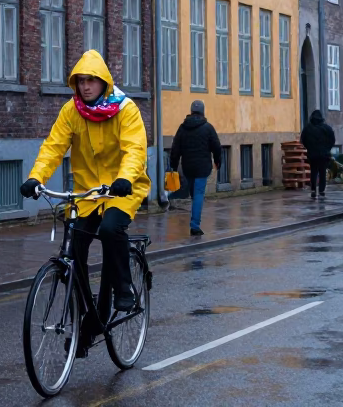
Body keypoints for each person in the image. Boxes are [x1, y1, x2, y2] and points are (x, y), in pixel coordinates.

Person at [20, 50, 149, 315]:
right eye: (80, 80)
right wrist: (36, 177)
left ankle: (124, 288)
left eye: (91, 80)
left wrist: (125, 178)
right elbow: (53, 147)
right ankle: (84, 322)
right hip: (87, 193)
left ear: (104, 81)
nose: (85, 86)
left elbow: (134, 150)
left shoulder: (126, 110)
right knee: (73, 247)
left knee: (111, 229)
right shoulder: (71, 111)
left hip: (123, 189)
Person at [169, 100, 221, 236]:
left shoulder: (182, 128)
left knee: (194, 194)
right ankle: (195, 226)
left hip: (187, 167)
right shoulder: (208, 128)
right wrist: (218, 161)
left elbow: (175, 149)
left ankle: (194, 221)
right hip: (203, 168)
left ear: (191, 111)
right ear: (203, 111)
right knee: (198, 195)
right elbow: (216, 146)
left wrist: (173, 166)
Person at [299, 109, 336, 200]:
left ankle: (313, 190)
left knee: (313, 172)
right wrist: (327, 149)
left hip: (313, 155)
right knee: (322, 173)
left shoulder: (307, 129)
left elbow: (303, 140)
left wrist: (309, 148)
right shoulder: (327, 128)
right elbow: (332, 140)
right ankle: (322, 190)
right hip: (324, 155)